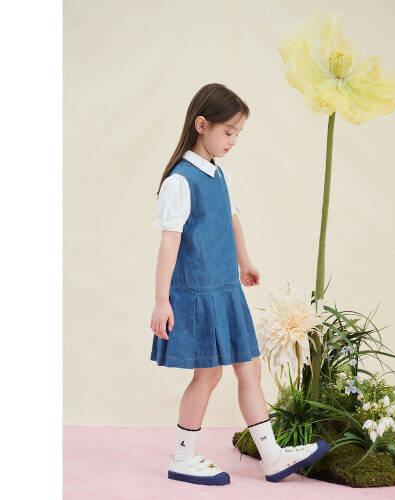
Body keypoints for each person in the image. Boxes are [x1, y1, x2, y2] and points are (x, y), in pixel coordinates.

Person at [149, 83, 329, 486]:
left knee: (250, 369)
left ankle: (272, 456)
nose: (233, 141)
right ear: (202, 125)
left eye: (238, 134)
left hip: (226, 290)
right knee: (208, 376)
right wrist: (162, 300)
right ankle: (183, 458)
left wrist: (244, 262)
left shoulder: (219, 176)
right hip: (199, 295)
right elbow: (169, 242)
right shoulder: (181, 181)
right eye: (228, 132)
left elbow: (231, 221)